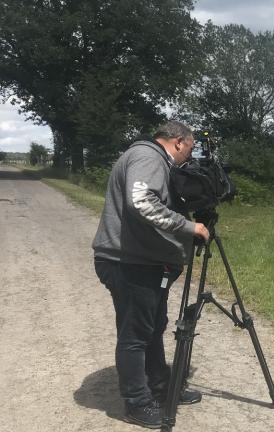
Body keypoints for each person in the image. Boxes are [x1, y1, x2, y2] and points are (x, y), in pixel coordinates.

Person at [92, 121, 210, 429]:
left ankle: (161, 386)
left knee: (154, 325)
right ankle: (137, 402)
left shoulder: (148, 157)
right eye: (191, 148)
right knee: (135, 334)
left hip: (141, 260)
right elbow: (142, 202)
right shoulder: (149, 156)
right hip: (128, 262)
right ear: (179, 142)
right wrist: (189, 227)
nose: (190, 156)